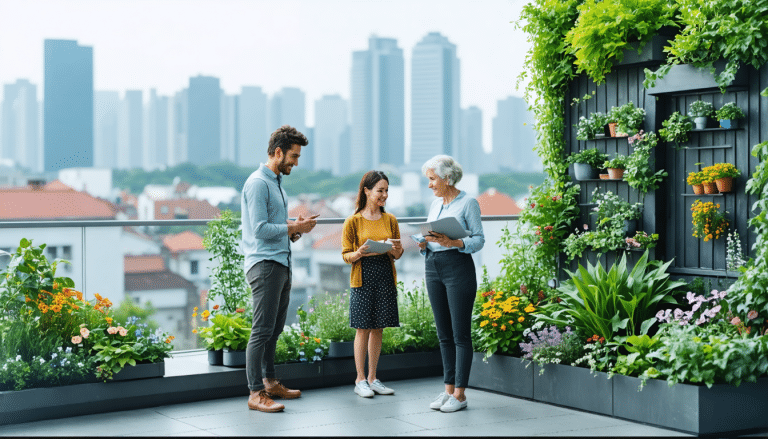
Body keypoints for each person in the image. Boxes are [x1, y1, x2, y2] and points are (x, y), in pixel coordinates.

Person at [241, 125, 318, 413]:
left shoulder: (275, 183)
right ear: (277, 152)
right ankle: (255, 393)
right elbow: (259, 230)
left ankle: (270, 383)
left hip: (280, 263)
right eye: (294, 156)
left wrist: (295, 230)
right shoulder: (258, 183)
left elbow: (274, 227)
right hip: (264, 265)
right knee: (261, 330)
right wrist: (293, 227)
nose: (296, 162)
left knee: (274, 330)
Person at [418, 155, 484, 413]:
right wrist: (425, 243)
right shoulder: (435, 204)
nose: (430, 185)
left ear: (447, 178)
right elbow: (433, 234)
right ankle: (447, 391)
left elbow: (478, 240)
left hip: (458, 267)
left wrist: (454, 242)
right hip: (432, 265)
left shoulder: (469, 203)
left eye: (433, 179)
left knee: (460, 334)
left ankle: (460, 394)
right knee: (443, 333)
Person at [341, 170, 404, 398]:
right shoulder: (353, 221)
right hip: (363, 277)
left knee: (379, 328)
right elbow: (345, 255)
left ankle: (373, 378)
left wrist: (396, 250)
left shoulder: (391, 219)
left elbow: (398, 253)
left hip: (385, 276)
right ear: (366, 191)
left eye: (387, 190)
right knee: (362, 328)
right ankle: (360, 379)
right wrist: (358, 253)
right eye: (380, 190)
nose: (384, 195)